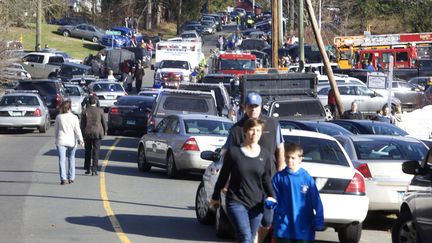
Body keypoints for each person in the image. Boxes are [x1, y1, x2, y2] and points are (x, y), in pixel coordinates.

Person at [223, 92, 285, 243]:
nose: (253, 109)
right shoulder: (237, 129)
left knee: (268, 221)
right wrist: (225, 182)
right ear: (244, 107)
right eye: (250, 106)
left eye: (256, 106)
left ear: (261, 107)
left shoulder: (272, 124)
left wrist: (281, 170)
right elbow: (228, 156)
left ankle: (254, 239)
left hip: (268, 181)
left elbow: (280, 148)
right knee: (246, 234)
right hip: (244, 184)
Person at [210, 118, 276, 243]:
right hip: (236, 201)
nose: (255, 133)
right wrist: (215, 196)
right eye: (252, 130)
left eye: (258, 130)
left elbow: (266, 178)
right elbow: (223, 176)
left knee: (249, 238)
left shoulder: (265, 155)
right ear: (246, 131)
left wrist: (272, 196)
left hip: (256, 203)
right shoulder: (234, 152)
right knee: (245, 237)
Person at [272, 143, 324, 243]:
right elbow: (273, 196)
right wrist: (271, 204)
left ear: (300, 159)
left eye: (293, 158)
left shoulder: (306, 178)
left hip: (303, 227)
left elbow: (316, 201)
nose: (290, 160)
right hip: (283, 226)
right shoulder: (279, 177)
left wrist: (319, 220)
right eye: (287, 157)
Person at [54, 100, 84, 185]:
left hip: (61, 140)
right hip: (71, 141)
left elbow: (56, 130)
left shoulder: (59, 117)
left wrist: (56, 139)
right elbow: (77, 130)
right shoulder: (74, 117)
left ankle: (63, 178)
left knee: (61, 160)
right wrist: (81, 140)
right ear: (70, 108)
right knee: (71, 158)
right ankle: (71, 177)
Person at [81, 96, 107, 176]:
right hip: (97, 133)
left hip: (87, 132)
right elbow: (104, 122)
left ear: (89, 102)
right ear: (95, 102)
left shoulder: (85, 111)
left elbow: (82, 124)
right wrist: (105, 131)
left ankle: (88, 168)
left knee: (88, 151)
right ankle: (94, 170)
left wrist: (82, 133)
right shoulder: (100, 111)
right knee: (96, 151)